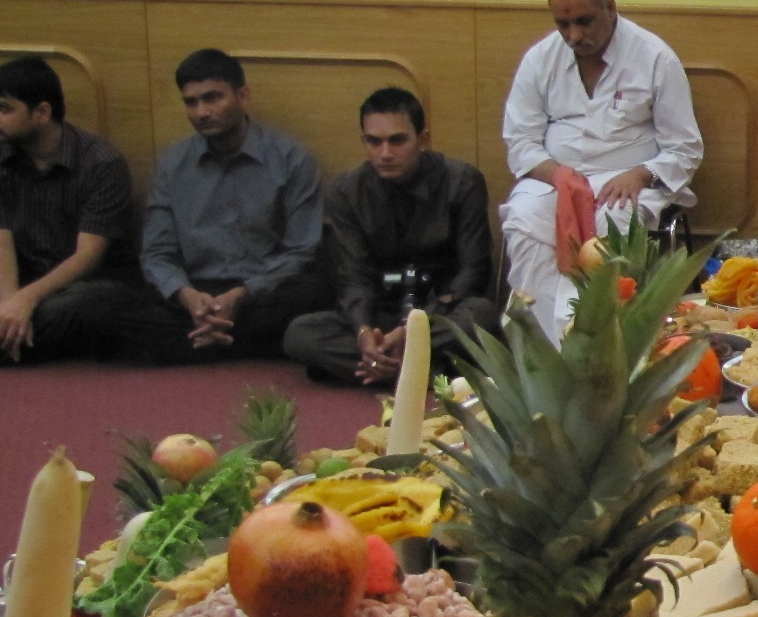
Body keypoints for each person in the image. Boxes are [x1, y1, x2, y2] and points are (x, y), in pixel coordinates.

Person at [501, 0, 704, 342]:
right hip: (554, 179)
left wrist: (640, 174)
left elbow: (685, 147)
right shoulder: (540, 60)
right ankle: (542, 351)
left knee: (614, 222)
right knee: (523, 219)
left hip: (626, 182)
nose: (574, 35)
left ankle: (599, 348)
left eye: (584, 21)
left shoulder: (654, 58)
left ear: (610, 7)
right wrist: (558, 175)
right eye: (563, 25)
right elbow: (520, 140)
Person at [122, 49, 329, 364]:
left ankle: (201, 341)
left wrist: (241, 295)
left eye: (212, 98)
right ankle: (229, 338)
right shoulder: (173, 163)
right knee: (102, 303)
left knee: (320, 290)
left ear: (242, 96)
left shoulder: (292, 159)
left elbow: (300, 252)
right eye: (191, 102)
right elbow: (156, 252)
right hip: (194, 293)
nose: (202, 112)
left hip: (261, 292)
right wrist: (187, 296)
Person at [282, 88, 500, 386]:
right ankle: (421, 371)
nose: (385, 153)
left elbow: (473, 273)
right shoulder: (346, 192)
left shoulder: (461, 182)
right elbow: (352, 278)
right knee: (300, 334)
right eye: (374, 141)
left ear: (423, 139)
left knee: (482, 315)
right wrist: (363, 333)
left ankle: (380, 369)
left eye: (397, 140)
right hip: (381, 316)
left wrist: (412, 331)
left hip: (440, 313)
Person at [0, 56, 136, 363]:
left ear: (42, 113)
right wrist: (9, 305)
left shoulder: (101, 163)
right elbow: (1, 240)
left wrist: (27, 298)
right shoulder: (3, 154)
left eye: (5, 109)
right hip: (24, 276)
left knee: (86, 306)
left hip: (83, 283)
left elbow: (88, 257)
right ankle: (14, 338)